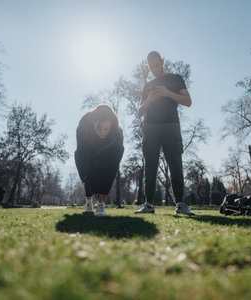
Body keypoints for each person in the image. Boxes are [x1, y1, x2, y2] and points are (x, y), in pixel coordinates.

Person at [135, 51, 195, 215]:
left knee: (176, 164)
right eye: (151, 67)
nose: (154, 69)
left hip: (171, 125)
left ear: (162, 61)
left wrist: (168, 93)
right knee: (150, 166)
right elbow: (140, 112)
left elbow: (188, 101)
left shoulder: (176, 79)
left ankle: (180, 204)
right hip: (150, 127)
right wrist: (149, 100)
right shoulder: (147, 86)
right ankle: (149, 204)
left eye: (156, 65)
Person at [75, 104, 124, 216]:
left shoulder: (117, 135)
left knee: (103, 167)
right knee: (89, 169)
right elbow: (81, 155)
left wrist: (104, 189)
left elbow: (112, 165)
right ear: (93, 124)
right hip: (86, 151)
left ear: (112, 125)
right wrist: (87, 180)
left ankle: (101, 203)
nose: (102, 132)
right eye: (99, 128)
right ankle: (88, 202)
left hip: (107, 153)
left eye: (106, 129)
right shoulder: (84, 126)